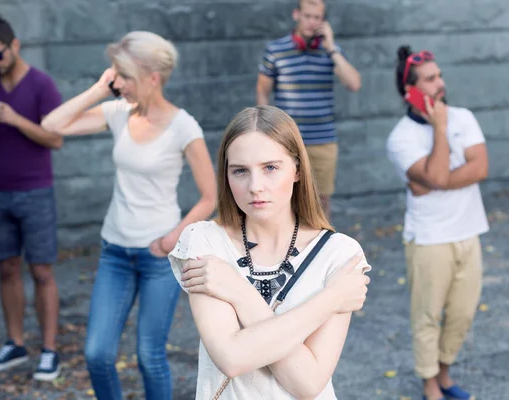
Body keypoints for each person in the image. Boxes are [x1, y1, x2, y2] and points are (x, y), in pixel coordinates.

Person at [41, 31, 217, 399]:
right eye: (115, 74)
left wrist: (173, 238)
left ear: (152, 78)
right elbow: (51, 126)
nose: (117, 81)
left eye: (124, 75)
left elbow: (210, 196)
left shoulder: (183, 126)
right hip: (115, 252)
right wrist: (99, 88)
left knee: (149, 356)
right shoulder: (118, 111)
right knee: (97, 354)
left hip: (158, 256)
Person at [168, 105, 371, 399]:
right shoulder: (203, 241)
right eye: (240, 171)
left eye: (270, 168)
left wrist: (237, 291)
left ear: (298, 169)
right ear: (225, 175)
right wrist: (333, 299)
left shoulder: (340, 254)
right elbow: (232, 358)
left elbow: (307, 383)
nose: (255, 186)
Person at [386, 46, 489, 400]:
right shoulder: (400, 138)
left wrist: (435, 179)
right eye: (430, 79)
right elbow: (441, 176)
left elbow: (479, 168)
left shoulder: (464, 116)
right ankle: (430, 384)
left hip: (469, 231)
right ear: (409, 90)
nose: (440, 83)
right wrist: (440, 130)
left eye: (439, 75)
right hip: (429, 238)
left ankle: (445, 374)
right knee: (427, 316)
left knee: (462, 315)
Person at [0, 15, 63, 381]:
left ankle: (50, 350)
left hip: (36, 191)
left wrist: (14, 119)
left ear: (15, 45)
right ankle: (16, 343)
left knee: (41, 270)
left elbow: (55, 139)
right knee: (6, 267)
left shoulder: (42, 85)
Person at [255, 0, 361, 218]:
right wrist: (264, 133)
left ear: (323, 21)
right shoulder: (276, 50)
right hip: (287, 142)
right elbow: (262, 92)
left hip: (323, 140)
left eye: (317, 18)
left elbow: (354, 83)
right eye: (307, 16)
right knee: (285, 200)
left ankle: (321, 250)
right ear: (297, 15)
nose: (312, 22)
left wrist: (331, 49)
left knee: (321, 203)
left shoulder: (331, 51)